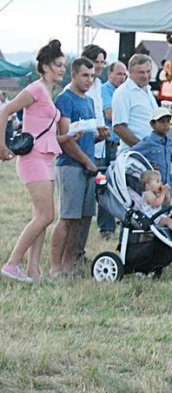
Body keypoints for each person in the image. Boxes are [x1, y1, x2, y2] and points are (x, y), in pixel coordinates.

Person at [0, 40, 68, 283]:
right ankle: (12, 263)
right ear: (46, 67)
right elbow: (5, 111)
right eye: (59, 65)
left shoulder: (49, 92)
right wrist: (2, 145)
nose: (62, 69)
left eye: (64, 65)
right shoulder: (37, 89)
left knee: (41, 216)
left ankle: (33, 270)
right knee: (46, 215)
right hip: (33, 159)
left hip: (47, 157)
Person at [50, 57, 108, 277]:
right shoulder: (65, 99)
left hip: (87, 165)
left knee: (82, 219)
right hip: (71, 165)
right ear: (73, 75)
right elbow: (66, 139)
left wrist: (100, 138)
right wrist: (86, 161)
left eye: (92, 76)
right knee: (67, 218)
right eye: (85, 75)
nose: (89, 80)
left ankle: (69, 263)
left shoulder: (90, 102)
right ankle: (56, 267)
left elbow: (84, 137)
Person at [98, 61, 128, 239]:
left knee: (122, 186)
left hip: (120, 145)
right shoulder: (105, 90)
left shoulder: (123, 92)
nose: (122, 78)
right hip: (109, 146)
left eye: (124, 75)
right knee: (107, 186)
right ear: (109, 74)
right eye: (118, 74)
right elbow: (110, 114)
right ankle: (106, 228)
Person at [112, 54, 158, 152]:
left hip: (151, 153)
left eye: (148, 71)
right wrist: (142, 149)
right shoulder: (123, 92)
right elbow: (119, 127)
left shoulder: (148, 90)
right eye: (141, 72)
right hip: (134, 155)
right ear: (130, 73)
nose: (145, 76)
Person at [131, 107, 172, 194]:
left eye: (168, 121)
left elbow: (171, 158)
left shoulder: (170, 142)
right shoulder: (148, 142)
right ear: (152, 124)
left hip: (167, 185)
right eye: (162, 121)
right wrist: (147, 166)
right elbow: (131, 155)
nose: (166, 124)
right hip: (153, 188)